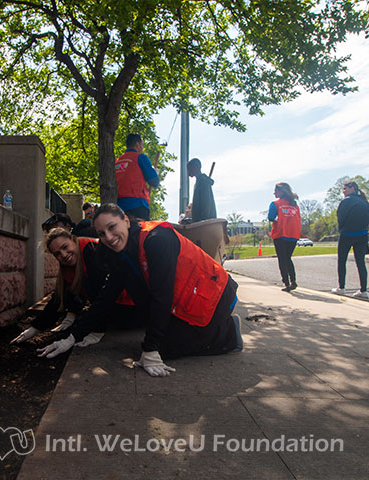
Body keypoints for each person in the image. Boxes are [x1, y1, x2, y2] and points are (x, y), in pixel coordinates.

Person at [37, 204, 243, 377]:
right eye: (102, 233)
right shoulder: (118, 254)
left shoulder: (157, 239)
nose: (108, 237)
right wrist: (73, 336)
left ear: (126, 220)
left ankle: (228, 333)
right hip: (189, 299)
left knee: (162, 348)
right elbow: (105, 298)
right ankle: (185, 335)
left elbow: (162, 296)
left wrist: (151, 349)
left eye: (112, 227)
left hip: (216, 295)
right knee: (159, 343)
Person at [12, 228, 137, 345]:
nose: (64, 255)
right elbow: (59, 299)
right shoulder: (69, 268)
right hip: (115, 310)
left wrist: (96, 330)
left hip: (130, 308)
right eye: (58, 254)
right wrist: (35, 328)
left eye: (65, 247)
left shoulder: (91, 250)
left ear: (73, 239)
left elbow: (103, 295)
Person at [331, 179, 369, 298]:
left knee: (342, 261)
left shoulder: (345, 202)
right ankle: (363, 290)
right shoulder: (364, 202)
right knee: (360, 262)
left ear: (353, 188)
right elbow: (368, 219)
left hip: (347, 235)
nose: (343, 191)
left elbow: (341, 218)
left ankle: (341, 287)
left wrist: (342, 229)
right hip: (362, 235)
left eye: (345, 188)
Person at [115, 133, 160, 220]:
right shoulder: (140, 158)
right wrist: (155, 172)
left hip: (118, 207)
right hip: (137, 205)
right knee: (141, 232)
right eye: (142, 145)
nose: (142, 148)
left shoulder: (117, 161)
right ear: (137, 144)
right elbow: (154, 181)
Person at [268, 182, 301, 292]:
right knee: (288, 258)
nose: (274, 193)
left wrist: (277, 220)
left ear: (282, 191)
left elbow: (271, 217)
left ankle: (286, 283)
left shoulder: (275, 204)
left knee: (282, 259)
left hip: (281, 234)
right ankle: (293, 280)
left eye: (276, 191)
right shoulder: (294, 205)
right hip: (293, 234)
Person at [186, 158, 216, 222]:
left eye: (189, 169)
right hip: (200, 221)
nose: (188, 172)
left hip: (205, 223)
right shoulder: (198, 182)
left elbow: (206, 204)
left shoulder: (203, 181)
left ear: (195, 168)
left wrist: (201, 222)